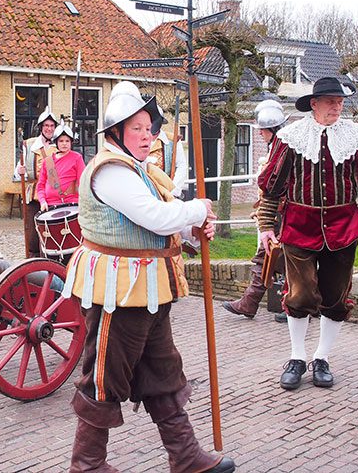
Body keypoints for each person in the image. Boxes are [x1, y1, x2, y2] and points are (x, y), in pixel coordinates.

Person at [62, 81, 235, 473]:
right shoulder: (109, 172)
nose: (146, 135)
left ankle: (185, 456)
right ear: (116, 133)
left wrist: (194, 231)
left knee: (163, 372)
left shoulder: (145, 172)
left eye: (148, 127)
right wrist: (196, 210)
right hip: (116, 292)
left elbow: (167, 220)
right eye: (136, 128)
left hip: (152, 291)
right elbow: (154, 217)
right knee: (103, 378)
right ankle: (87, 465)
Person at [257, 77, 358, 390]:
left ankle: (322, 358)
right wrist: (265, 225)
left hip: (343, 227)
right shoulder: (291, 137)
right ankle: (296, 357)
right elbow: (271, 187)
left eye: (340, 100)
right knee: (300, 293)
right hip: (298, 226)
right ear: (314, 104)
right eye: (330, 100)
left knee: (335, 297)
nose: (337, 106)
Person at [223, 99, 288, 322]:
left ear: (273, 129)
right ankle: (251, 303)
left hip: (286, 213)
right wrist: (262, 209)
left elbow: (283, 184)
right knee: (267, 256)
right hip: (275, 212)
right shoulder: (276, 147)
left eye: (262, 130)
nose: (260, 134)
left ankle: (292, 306)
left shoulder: (285, 149)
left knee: (289, 258)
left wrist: (269, 210)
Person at [14, 106, 57, 256]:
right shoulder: (29, 144)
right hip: (33, 194)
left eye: (52, 126)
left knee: (50, 232)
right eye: (46, 125)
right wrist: (20, 171)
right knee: (32, 233)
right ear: (40, 127)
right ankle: (33, 265)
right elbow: (19, 169)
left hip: (52, 196)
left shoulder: (58, 146)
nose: (49, 129)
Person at [36, 119, 85, 211]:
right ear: (56, 143)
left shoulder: (77, 158)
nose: (64, 144)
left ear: (71, 142)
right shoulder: (48, 161)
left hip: (71, 204)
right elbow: (41, 185)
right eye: (61, 141)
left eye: (67, 141)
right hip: (50, 205)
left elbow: (83, 182)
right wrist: (43, 201)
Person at [148, 106, 188, 198]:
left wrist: (173, 190)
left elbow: (181, 166)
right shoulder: (136, 139)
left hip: (165, 192)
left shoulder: (172, 140)